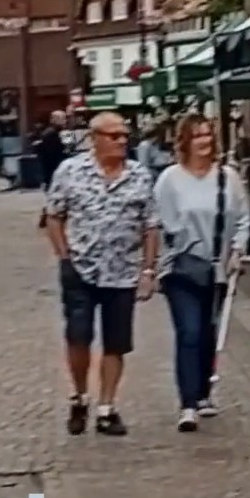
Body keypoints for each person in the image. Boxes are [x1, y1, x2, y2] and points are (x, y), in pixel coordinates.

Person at [44, 108, 159, 437]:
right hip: (81, 268)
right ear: (95, 139)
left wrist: (148, 269)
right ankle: (79, 396)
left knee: (116, 342)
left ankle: (107, 407)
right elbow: (54, 216)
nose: (122, 141)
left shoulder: (139, 175)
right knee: (78, 336)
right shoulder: (70, 171)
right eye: (115, 136)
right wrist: (64, 258)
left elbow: (150, 226)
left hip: (122, 271)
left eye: (125, 135)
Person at [154, 114, 250, 431]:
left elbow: (242, 218)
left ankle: (204, 392)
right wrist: (182, 246)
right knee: (189, 332)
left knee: (208, 331)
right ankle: (188, 403)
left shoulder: (228, 178)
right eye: (197, 136)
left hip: (217, 268)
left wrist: (236, 250)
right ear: (185, 141)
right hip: (182, 267)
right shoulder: (170, 179)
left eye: (208, 135)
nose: (204, 141)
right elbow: (163, 221)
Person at [38, 111, 68, 192]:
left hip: (54, 170)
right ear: (54, 120)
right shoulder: (51, 134)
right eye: (62, 119)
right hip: (53, 170)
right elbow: (52, 154)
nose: (65, 121)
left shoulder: (56, 132)